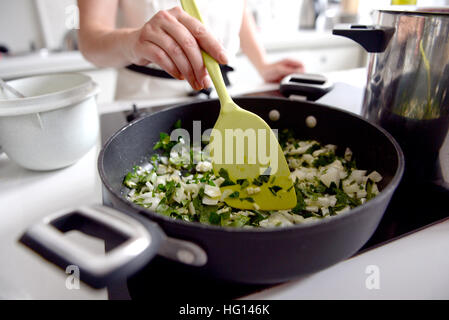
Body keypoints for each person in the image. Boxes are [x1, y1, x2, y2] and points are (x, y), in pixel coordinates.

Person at [77, 0, 305, 100]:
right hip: (145, 98)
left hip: (222, 94)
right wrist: (133, 41)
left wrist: (262, 65)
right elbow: (89, 40)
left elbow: (238, 9)